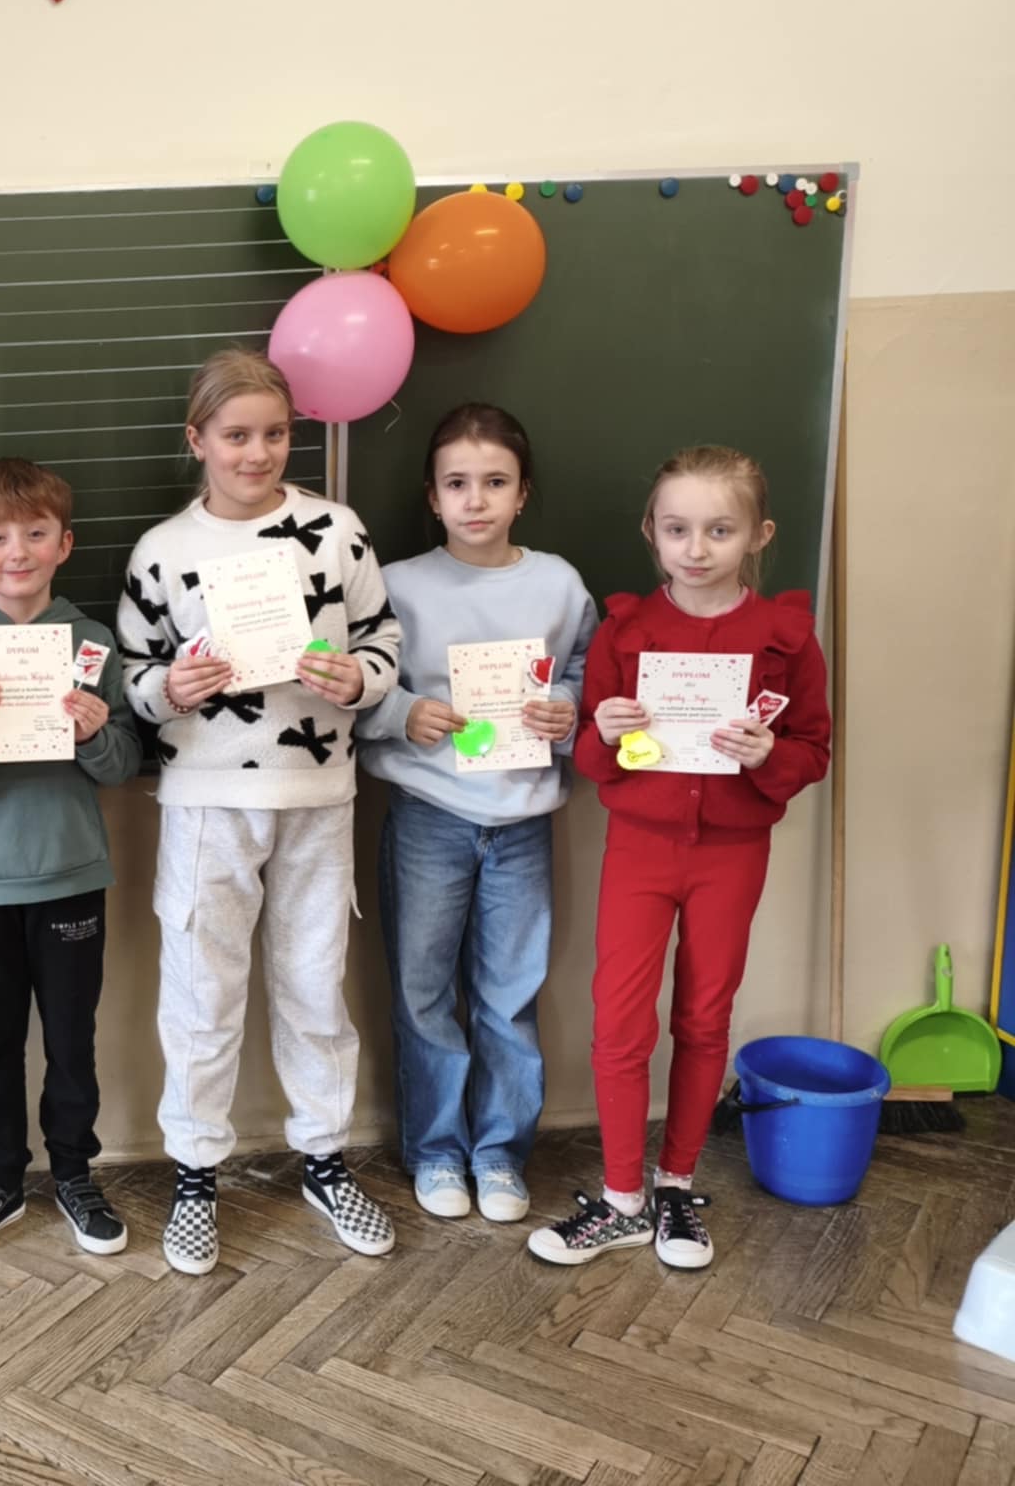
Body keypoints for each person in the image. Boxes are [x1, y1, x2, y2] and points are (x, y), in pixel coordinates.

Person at [116, 349, 403, 1276]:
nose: (257, 453)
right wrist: (170, 688)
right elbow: (131, 674)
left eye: (275, 434)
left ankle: (324, 1158)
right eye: (236, 435)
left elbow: (382, 638)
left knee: (316, 986)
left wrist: (359, 679)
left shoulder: (336, 531)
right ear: (196, 440)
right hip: (207, 800)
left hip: (318, 795)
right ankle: (196, 1174)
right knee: (201, 994)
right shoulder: (165, 550)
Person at [527, 446, 830, 1270]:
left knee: (703, 1017)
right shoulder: (627, 632)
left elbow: (813, 749)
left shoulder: (786, 639)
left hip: (733, 852)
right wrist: (603, 731)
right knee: (620, 1020)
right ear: (651, 533)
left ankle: (675, 1186)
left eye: (719, 530)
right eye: (677, 530)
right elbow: (594, 760)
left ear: (759, 535)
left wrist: (769, 753)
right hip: (641, 849)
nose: (696, 549)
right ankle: (622, 1197)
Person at [355, 403, 596, 1224]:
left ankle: (499, 1154)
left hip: (523, 819)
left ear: (523, 493)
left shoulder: (558, 584)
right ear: (432, 496)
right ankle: (436, 1151)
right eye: (457, 484)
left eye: (495, 482)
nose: (476, 500)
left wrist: (567, 708)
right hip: (429, 812)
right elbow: (362, 687)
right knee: (423, 994)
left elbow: (584, 671)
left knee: (509, 995)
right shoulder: (399, 585)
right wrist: (403, 714)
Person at [0, 458, 143, 1258]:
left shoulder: (93, 642)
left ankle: (74, 1173)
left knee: (72, 1039)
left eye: (36, 533)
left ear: (64, 545)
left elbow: (122, 766)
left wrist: (94, 735)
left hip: (71, 873)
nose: (18, 551)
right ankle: (2, 1179)